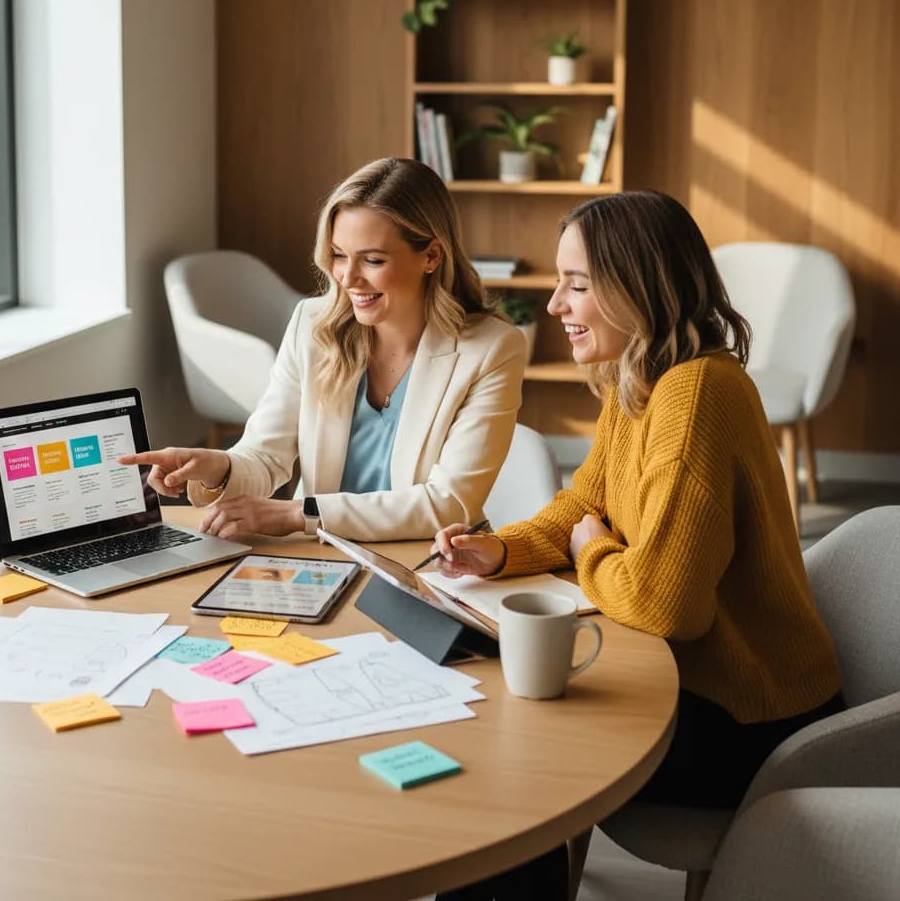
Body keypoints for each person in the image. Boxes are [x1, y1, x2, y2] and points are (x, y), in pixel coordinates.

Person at [431, 191, 843, 900]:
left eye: (577, 284)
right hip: (701, 687)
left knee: (515, 756)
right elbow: (580, 507)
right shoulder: (640, 383)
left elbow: (661, 605)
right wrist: (497, 550)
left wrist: (592, 555)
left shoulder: (695, 397)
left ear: (639, 285)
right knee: (507, 724)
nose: (555, 303)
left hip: (756, 721)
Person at [121, 157, 525, 542]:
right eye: (338, 255)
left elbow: (448, 504)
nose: (348, 278)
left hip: (429, 560)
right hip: (318, 556)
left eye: (372, 260)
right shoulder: (312, 325)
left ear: (431, 256)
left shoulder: (491, 349)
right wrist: (217, 468)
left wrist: (299, 515)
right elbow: (265, 456)